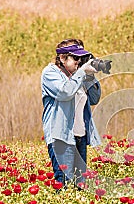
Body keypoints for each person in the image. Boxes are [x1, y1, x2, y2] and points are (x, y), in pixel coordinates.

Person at [41, 38, 102, 190]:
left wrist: (90, 75)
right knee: (64, 185)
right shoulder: (50, 73)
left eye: (81, 58)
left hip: (79, 137)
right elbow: (65, 92)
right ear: (62, 58)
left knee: (80, 186)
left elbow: (94, 98)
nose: (78, 61)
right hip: (61, 138)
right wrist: (81, 72)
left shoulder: (78, 75)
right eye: (75, 58)